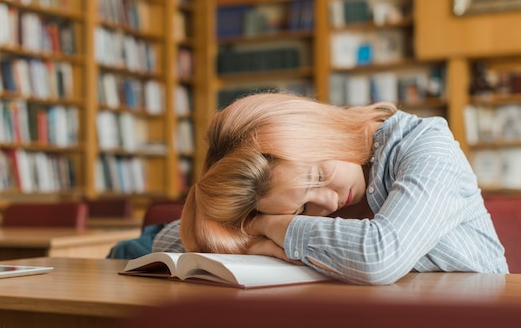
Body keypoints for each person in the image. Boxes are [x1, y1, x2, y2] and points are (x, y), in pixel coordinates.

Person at [152, 92, 508, 285]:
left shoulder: (426, 144)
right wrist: (240, 229)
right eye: (303, 209)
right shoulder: (278, 198)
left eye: (317, 177)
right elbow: (168, 242)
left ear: (319, 133)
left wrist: (270, 227)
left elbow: (379, 257)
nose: (329, 201)